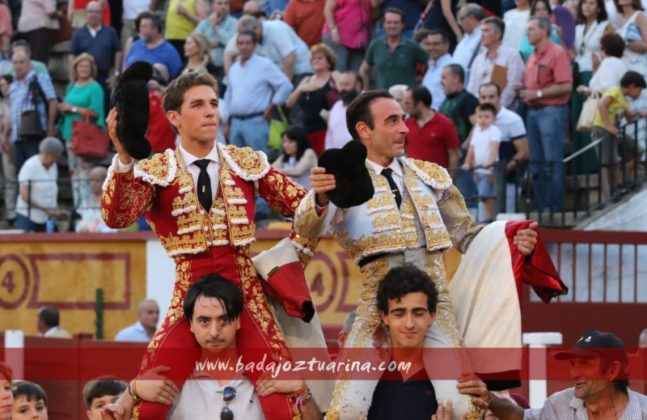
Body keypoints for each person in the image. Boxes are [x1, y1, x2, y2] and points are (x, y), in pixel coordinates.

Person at [298, 89, 538, 418]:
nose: (405, 129)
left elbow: (468, 235)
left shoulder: (430, 175)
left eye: (404, 119)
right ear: (364, 131)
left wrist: (511, 239)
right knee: (347, 411)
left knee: (463, 407)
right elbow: (305, 234)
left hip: (434, 306)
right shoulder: (345, 180)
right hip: (376, 309)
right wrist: (321, 198)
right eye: (392, 120)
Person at [101, 70, 313, 419]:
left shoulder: (245, 161)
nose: (210, 112)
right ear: (174, 118)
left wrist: (322, 198)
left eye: (213, 104)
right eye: (197, 105)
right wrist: (124, 157)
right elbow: (117, 216)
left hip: (246, 296)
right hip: (190, 296)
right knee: (152, 395)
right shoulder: (156, 170)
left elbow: (300, 206)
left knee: (280, 396)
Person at [368, 264, 488, 420]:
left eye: (418, 313)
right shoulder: (367, 379)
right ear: (384, 316)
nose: (409, 324)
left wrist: (489, 400)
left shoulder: (456, 380)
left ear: (432, 315)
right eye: (399, 314)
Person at [474, 329, 647, 419]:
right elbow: (522, 418)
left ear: (612, 370)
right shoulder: (561, 403)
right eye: (573, 364)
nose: (574, 374)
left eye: (585, 364)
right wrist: (489, 398)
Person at [520, 16, 573, 213]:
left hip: (551, 111)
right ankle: (543, 209)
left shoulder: (557, 53)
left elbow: (566, 85)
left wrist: (538, 93)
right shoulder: (532, 56)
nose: (528, 32)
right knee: (536, 165)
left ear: (544, 31)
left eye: (532, 29)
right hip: (533, 111)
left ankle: (554, 209)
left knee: (551, 163)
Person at [223, 30, 292, 153]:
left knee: (258, 166)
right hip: (236, 122)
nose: (244, 46)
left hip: (256, 121)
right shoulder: (234, 68)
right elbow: (229, 95)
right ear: (237, 45)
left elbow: (285, 85)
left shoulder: (264, 64)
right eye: (241, 43)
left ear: (254, 45)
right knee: (236, 166)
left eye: (248, 43)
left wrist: (273, 105)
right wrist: (227, 122)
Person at [58, 53, 105, 209]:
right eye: (80, 66)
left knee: (85, 175)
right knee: (74, 174)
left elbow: (96, 112)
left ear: (92, 69)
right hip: (70, 135)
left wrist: (72, 108)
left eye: (87, 66)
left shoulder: (95, 87)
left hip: (85, 137)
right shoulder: (72, 86)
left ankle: (87, 207)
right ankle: (78, 208)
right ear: (75, 68)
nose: (83, 69)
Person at [592, 70, 647, 199]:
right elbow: (602, 105)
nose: (639, 93)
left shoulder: (624, 99)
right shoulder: (615, 91)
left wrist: (639, 113)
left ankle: (624, 182)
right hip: (603, 129)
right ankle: (611, 193)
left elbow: (629, 118)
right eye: (639, 89)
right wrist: (608, 125)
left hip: (615, 131)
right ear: (632, 86)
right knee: (608, 162)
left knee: (637, 151)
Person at [479, 82, 529, 214]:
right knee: (484, 222)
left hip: (508, 181)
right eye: (483, 97)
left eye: (491, 97)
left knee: (505, 222)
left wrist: (499, 174)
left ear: (499, 98)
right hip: (483, 180)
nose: (487, 101)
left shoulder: (512, 119)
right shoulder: (479, 120)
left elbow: (523, 152)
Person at [9, 49, 58, 174]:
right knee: (20, 175)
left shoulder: (40, 78)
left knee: (36, 172)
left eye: (21, 62)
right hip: (17, 137)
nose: (18, 66)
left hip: (34, 135)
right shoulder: (13, 85)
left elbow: (53, 101)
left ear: (29, 63)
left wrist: (50, 128)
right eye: (15, 63)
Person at [286, 43, 339, 156]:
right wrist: (300, 89)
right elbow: (289, 103)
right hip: (308, 132)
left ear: (329, 61)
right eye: (313, 59)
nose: (316, 61)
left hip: (327, 131)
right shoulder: (307, 80)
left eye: (320, 58)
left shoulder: (334, 76)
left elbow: (344, 93)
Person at [439, 63, 479, 207]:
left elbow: (478, 124)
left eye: (444, 77)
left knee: (465, 197)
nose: (441, 81)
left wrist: (464, 146)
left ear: (456, 78)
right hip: (448, 156)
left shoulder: (468, 100)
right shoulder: (445, 102)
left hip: (463, 158)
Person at [359, 7, 428, 90]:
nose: (392, 26)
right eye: (389, 22)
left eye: (396, 23)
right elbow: (363, 71)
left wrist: (423, 85)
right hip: (382, 97)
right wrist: (366, 91)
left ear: (402, 25)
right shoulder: (375, 45)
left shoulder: (412, 46)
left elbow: (432, 64)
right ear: (384, 25)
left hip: (405, 99)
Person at [467, 16, 526, 109]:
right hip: (480, 112)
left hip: (503, 112)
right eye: (481, 31)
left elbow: (512, 87)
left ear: (498, 34)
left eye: (486, 31)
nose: (482, 35)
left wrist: (496, 109)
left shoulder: (512, 55)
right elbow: (471, 89)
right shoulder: (478, 59)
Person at [229, 15, 313, 80]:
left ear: (255, 28)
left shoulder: (277, 28)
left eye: (244, 33)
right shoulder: (252, 39)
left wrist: (284, 87)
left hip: (301, 71)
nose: (242, 36)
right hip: (280, 74)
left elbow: (290, 58)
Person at [68, 1, 122, 97]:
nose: (93, 14)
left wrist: (116, 74)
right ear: (85, 14)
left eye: (97, 12)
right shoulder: (78, 34)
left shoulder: (110, 32)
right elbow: (72, 55)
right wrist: (72, 78)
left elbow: (118, 51)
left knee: (104, 108)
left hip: (104, 78)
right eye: (91, 11)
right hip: (83, 78)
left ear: (102, 14)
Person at [403, 85, 460, 174]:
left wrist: (451, 180)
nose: (405, 108)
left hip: (438, 181)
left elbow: (454, 154)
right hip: (414, 180)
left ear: (419, 104)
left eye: (408, 103)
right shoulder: (407, 123)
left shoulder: (445, 124)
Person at [461, 103, 502, 222]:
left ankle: (491, 218)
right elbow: (471, 149)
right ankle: (488, 217)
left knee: (485, 195)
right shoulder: (477, 131)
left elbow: (494, 147)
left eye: (487, 116)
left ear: (494, 119)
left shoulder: (494, 130)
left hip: (489, 170)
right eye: (480, 116)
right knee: (481, 195)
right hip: (478, 170)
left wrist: (490, 162)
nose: (483, 119)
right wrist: (467, 163)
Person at [15, 137, 64, 232]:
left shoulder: (53, 165)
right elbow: (24, 195)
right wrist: (46, 209)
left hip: (47, 217)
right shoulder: (30, 166)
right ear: (46, 154)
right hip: (29, 216)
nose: (55, 160)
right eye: (54, 157)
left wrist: (54, 210)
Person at [123, 12, 182, 80]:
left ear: (155, 29)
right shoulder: (135, 45)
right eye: (140, 26)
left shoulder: (170, 52)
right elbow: (125, 67)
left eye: (144, 27)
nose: (140, 30)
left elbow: (177, 80)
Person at [193, 0, 238, 88]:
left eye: (226, 3)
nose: (223, 6)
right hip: (205, 67)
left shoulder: (234, 23)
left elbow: (231, 42)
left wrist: (215, 26)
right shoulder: (204, 23)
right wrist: (219, 44)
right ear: (212, 6)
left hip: (224, 69)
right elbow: (195, 42)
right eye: (219, 3)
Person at [321, 0, 371, 72]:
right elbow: (328, 9)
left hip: (356, 41)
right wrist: (333, 31)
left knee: (355, 75)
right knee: (339, 73)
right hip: (338, 38)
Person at [419, 29, 455, 110]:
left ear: (447, 45)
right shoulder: (431, 66)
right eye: (429, 44)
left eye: (436, 44)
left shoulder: (451, 66)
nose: (431, 47)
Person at [324, 71, 360, 150]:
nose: (343, 89)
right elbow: (330, 135)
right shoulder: (336, 106)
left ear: (357, 86)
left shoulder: (368, 104)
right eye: (341, 85)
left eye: (346, 84)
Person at [612, 0, 647, 80]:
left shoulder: (639, 16)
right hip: (622, 65)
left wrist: (625, 43)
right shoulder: (618, 18)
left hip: (637, 65)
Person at [453, 4, 486, 83]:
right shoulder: (466, 37)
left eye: (461, 19)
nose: (460, 23)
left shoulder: (484, 36)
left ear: (471, 18)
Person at [0, 74, 15, 227]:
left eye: (4, 85)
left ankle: (11, 214)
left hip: (11, 144)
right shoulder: (1, 102)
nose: (2, 88)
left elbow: (10, 123)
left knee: (10, 178)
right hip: (2, 144)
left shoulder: (14, 100)